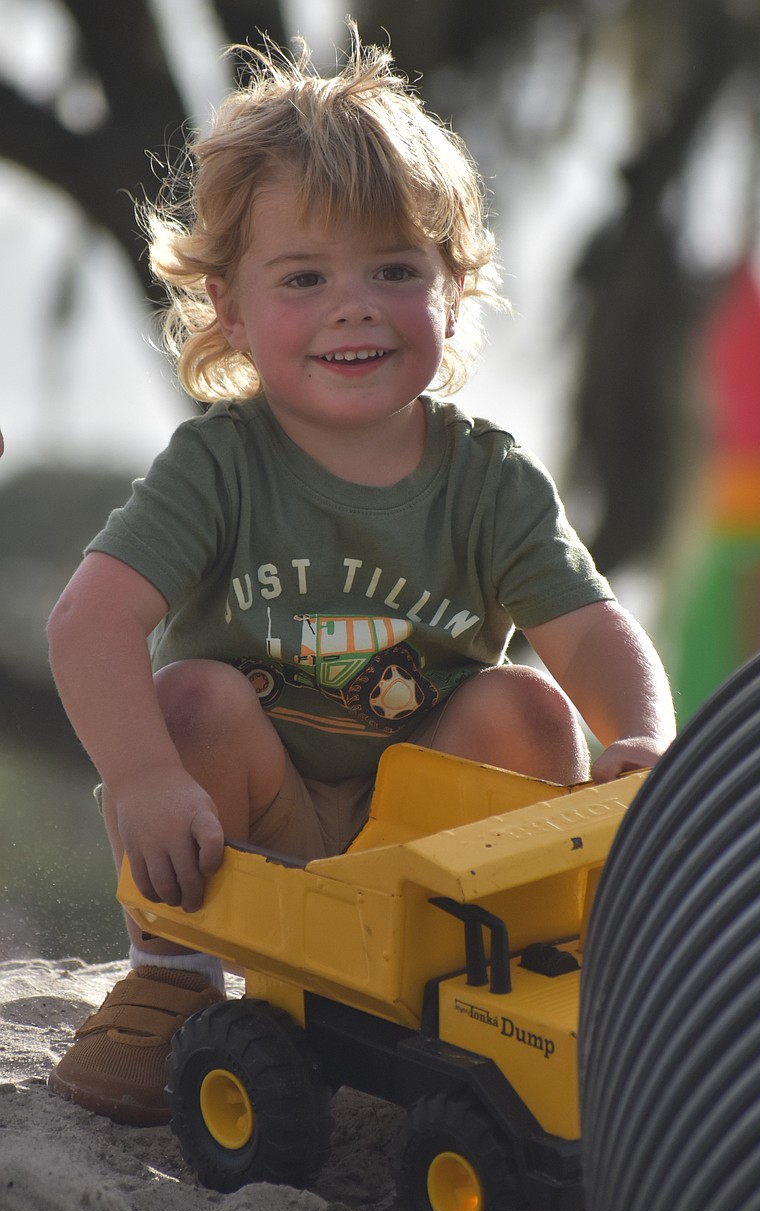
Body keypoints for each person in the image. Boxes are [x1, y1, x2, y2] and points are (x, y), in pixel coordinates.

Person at [46, 29, 676, 1126]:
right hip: (254, 828)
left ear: (453, 291)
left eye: (395, 269)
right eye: (305, 277)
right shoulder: (221, 465)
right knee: (188, 696)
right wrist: (145, 779)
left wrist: (646, 737)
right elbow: (88, 623)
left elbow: (588, 627)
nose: (355, 305)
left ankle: (492, 982)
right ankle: (172, 975)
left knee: (526, 702)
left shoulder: (486, 478)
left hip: (427, 857)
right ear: (230, 310)